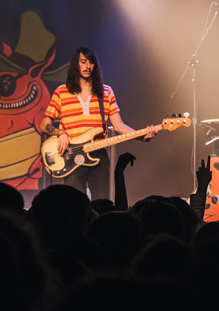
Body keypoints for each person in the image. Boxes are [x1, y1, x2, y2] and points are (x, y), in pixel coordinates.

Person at [40, 47, 156, 198]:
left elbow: (119, 125)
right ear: (76, 64)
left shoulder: (106, 92)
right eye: (83, 62)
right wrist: (61, 133)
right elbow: (44, 124)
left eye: (91, 63)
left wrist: (142, 136)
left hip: (99, 155)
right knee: (76, 206)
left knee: (102, 203)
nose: (88, 66)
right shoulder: (61, 92)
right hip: (71, 156)